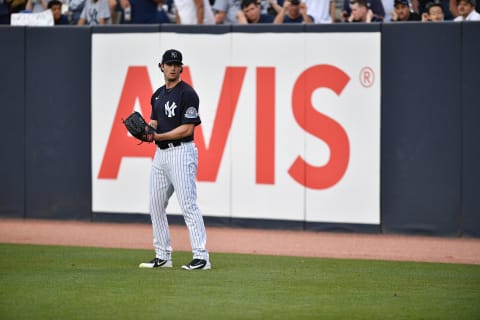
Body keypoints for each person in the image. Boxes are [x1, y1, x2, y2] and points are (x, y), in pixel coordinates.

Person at [138, 49, 211, 271]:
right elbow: (154, 123)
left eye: (175, 64)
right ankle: (163, 256)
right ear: (161, 66)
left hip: (181, 152)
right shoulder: (157, 94)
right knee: (156, 205)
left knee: (188, 205)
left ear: (181, 68)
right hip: (161, 155)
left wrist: (157, 136)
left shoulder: (187, 93)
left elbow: (187, 128)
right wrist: (146, 131)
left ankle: (201, 257)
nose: (172, 67)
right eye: (168, 64)